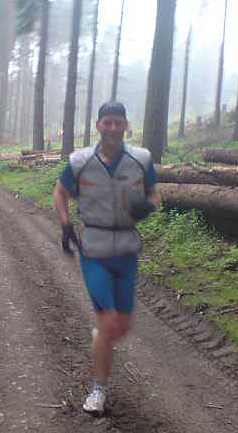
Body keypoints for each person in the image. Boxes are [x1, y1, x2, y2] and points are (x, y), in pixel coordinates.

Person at [52, 101, 161, 415]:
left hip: (127, 248)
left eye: (118, 123)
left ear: (126, 125)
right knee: (109, 322)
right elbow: (59, 191)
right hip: (95, 249)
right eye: (107, 123)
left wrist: (149, 206)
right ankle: (98, 390)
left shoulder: (141, 159)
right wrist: (64, 224)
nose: (112, 128)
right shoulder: (80, 161)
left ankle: (102, 335)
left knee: (121, 327)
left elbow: (155, 193)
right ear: (98, 125)